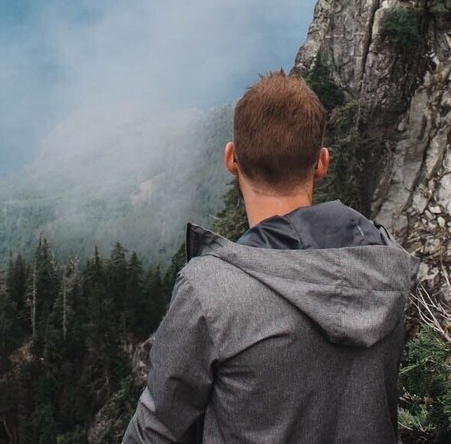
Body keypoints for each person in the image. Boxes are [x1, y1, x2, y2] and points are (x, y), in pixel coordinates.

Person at [123, 71, 419, 444]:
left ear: (231, 159)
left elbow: (155, 432)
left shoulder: (211, 291)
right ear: (322, 162)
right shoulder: (389, 269)